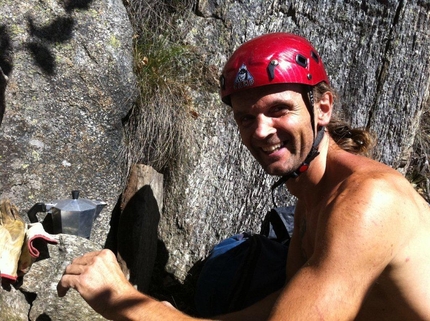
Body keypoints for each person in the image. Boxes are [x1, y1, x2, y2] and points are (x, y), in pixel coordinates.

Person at [57, 32, 430, 320]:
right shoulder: (312, 199)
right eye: (246, 118)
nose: (261, 131)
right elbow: (284, 306)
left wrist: (126, 302)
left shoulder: (368, 201)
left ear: (322, 107)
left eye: (279, 110)